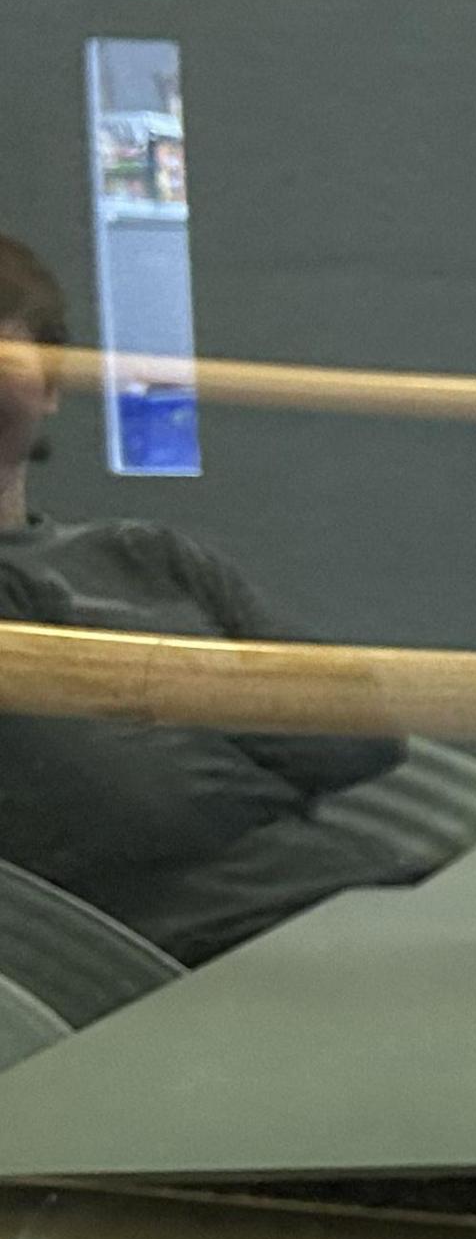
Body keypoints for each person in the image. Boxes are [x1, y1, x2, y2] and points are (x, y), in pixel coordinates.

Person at [0, 229, 422, 967]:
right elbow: (131, 809)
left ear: (55, 384)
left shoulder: (150, 554)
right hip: (207, 973)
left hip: (370, 909)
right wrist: (239, 713)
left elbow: (361, 736)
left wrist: (153, 708)